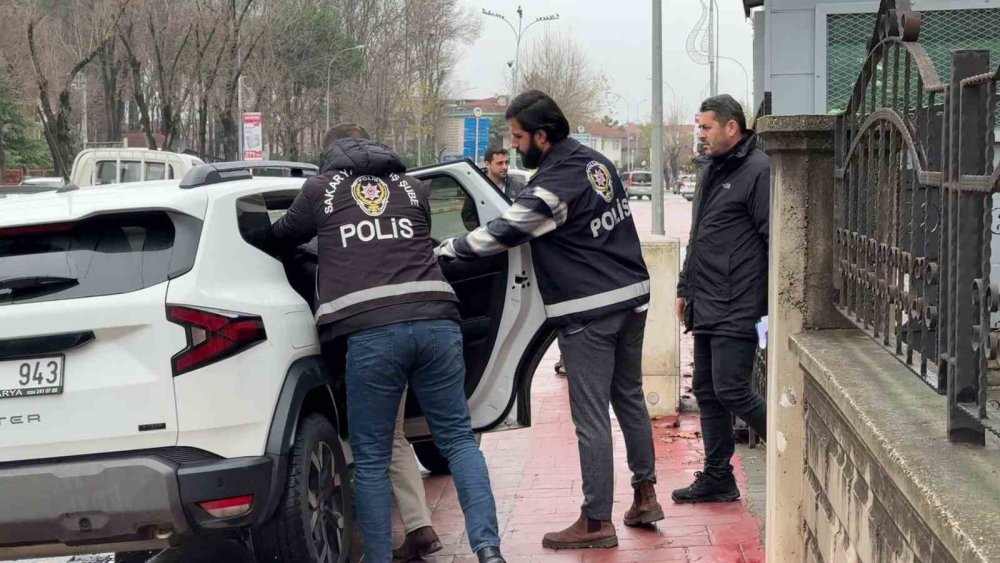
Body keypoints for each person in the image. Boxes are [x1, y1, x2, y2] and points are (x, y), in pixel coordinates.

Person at [437, 91, 662, 550]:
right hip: (632, 295)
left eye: (519, 137)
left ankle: (597, 520)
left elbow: (501, 233)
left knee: (591, 416)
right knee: (630, 399)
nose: (515, 146)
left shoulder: (552, 185)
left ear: (542, 135)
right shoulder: (595, 161)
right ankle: (644, 495)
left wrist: (443, 252)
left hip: (590, 310)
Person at [272, 124, 505, 563]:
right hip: (437, 321)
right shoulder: (413, 187)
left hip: (372, 334)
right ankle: (489, 550)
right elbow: (412, 242)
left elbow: (283, 235)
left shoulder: (320, 189)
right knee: (457, 439)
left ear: (330, 154)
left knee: (373, 456)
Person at [672, 94, 770, 504]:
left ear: (732, 127)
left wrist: (768, 303)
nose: (702, 134)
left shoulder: (759, 169)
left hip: (739, 299)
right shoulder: (711, 168)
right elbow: (700, 236)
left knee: (731, 389)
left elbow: (773, 239)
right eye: (700, 127)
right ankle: (718, 477)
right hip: (707, 298)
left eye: (707, 127)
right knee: (707, 390)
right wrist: (684, 287)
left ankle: (792, 440)